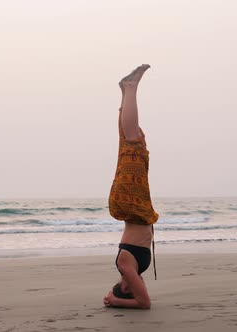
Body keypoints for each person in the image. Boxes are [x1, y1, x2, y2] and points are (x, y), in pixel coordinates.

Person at [103, 64, 159, 310]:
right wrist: (117, 297)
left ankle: (130, 87)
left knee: (132, 143)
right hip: (135, 204)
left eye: (127, 288)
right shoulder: (132, 269)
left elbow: (144, 304)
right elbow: (142, 297)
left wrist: (114, 300)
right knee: (132, 142)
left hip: (130, 202)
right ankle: (125, 92)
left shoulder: (125, 265)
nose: (135, 285)